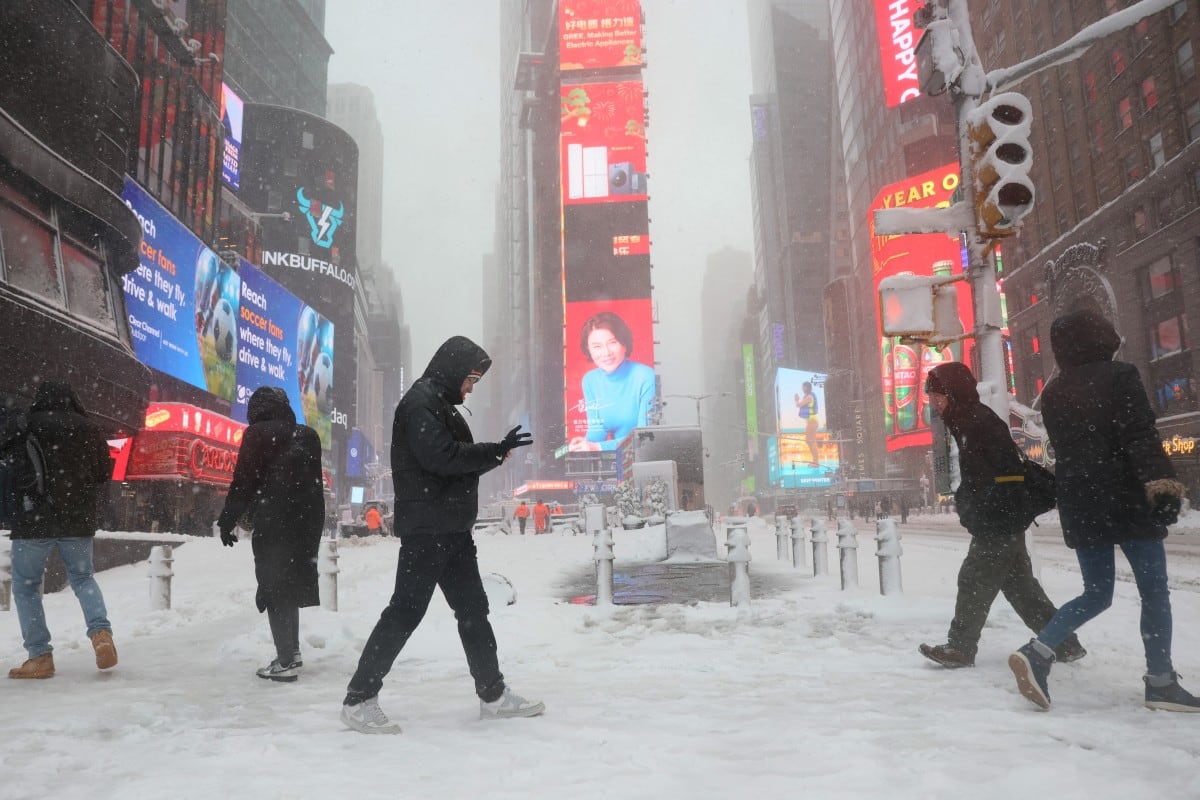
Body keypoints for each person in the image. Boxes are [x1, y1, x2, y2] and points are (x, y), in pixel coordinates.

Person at [340, 336, 543, 734]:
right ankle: (359, 698)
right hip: (429, 531)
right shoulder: (420, 404)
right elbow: (442, 458)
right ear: (452, 370)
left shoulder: (438, 405)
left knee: (473, 610)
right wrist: (492, 451)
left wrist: (495, 454)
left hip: (451, 531)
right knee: (405, 611)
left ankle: (493, 696)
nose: (470, 388)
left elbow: (453, 462)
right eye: (469, 379)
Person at [1008, 309, 1199, 711]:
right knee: (1154, 592)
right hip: (1126, 498)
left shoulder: (1055, 391)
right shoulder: (1121, 376)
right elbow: (1138, 433)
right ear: (1102, 337)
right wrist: (1161, 485)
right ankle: (1160, 682)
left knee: (1096, 593)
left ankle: (1039, 652)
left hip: (1081, 501)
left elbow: (1064, 449)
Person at [917, 362, 1085, 670]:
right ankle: (1064, 644)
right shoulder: (966, 420)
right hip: (1002, 517)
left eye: (937, 395)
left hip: (998, 520)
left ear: (952, 393)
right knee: (1021, 587)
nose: (934, 403)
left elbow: (1004, 474)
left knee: (974, 579)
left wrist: (980, 507)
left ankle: (960, 647)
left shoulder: (977, 421)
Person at [4, 381, 117, 679]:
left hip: (33, 518)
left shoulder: (26, 424)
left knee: (26, 586)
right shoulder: (89, 428)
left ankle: (39, 655)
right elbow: (105, 472)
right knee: (83, 578)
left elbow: (12, 466)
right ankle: (101, 634)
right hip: (76, 519)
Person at [217, 386, 324, 682]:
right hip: (308, 522)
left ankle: (286, 661)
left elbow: (243, 482)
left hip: (276, 521)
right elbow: (314, 484)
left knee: (275, 587)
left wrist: (227, 520)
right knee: (291, 583)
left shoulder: (258, 434)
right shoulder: (309, 435)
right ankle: (293, 651)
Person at [568, 311, 656, 452]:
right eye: (597, 346)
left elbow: (645, 438)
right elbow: (597, 431)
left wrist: (596, 447)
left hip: (643, 459)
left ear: (624, 344)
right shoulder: (590, 381)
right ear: (588, 350)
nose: (606, 352)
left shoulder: (645, 376)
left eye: (612, 343)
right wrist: (584, 444)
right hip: (616, 459)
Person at [795, 381, 820, 467]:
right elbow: (799, 405)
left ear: (806, 387)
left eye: (802, 387)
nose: (802, 389)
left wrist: (797, 400)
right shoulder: (808, 396)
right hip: (811, 421)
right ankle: (815, 461)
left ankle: (816, 462)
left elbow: (799, 405)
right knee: (809, 441)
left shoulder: (809, 397)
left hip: (812, 421)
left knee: (811, 441)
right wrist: (797, 400)